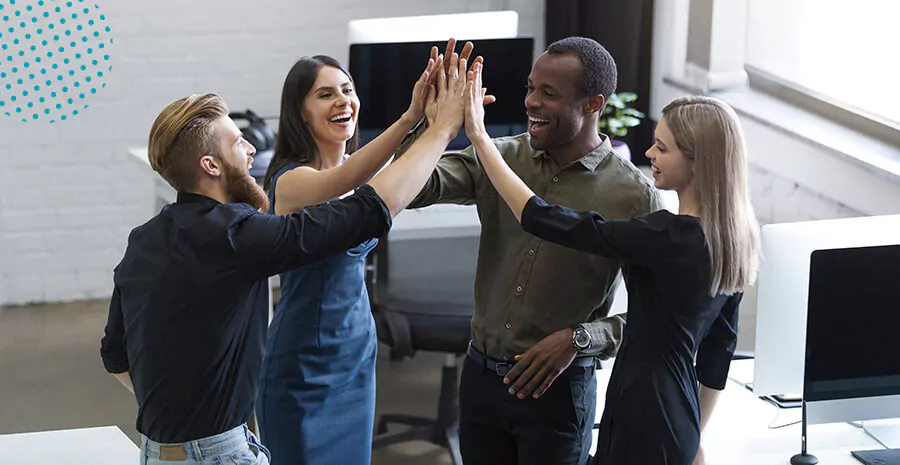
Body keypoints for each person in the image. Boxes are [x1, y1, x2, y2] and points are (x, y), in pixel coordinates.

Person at [99, 54, 468, 465]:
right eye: (238, 142)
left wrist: (181, 420)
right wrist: (440, 130)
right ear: (211, 165)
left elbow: (115, 355)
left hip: (165, 451)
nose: (252, 146)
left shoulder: (145, 239)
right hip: (224, 448)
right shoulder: (238, 237)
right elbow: (365, 212)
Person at [464, 59, 760, 465]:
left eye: (662, 147)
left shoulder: (668, 235)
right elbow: (718, 353)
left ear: (697, 161)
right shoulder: (735, 240)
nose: (650, 153)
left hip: (642, 406)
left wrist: (480, 138)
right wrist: (695, 435)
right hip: (679, 413)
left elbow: (544, 219)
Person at [395, 37, 661, 465]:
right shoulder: (503, 155)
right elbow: (416, 187)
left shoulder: (632, 197)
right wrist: (427, 121)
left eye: (549, 94)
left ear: (593, 104)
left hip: (556, 392)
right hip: (480, 381)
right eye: (530, 88)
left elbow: (659, 319)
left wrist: (581, 339)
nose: (531, 102)